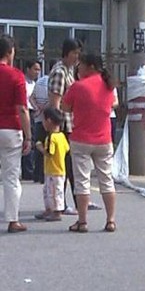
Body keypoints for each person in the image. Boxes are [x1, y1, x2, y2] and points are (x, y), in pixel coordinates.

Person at [62, 53, 117, 233]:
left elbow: (65, 107)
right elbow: (113, 104)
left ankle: (82, 221)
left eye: (81, 65)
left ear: (90, 66)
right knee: (106, 180)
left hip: (81, 139)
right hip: (104, 139)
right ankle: (110, 220)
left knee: (82, 181)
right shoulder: (109, 85)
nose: (78, 68)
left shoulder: (78, 86)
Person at [0, 34, 32, 233]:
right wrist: (28, 136)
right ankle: (13, 220)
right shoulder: (16, 76)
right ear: (10, 52)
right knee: (11, 176)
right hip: (11, 128)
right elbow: (22, 109)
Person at [48, 38, 81, 215]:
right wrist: (56, 129)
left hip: (70, 124)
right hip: (62, 127)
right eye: (75, 53)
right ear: (67, 53)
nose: (77, 57)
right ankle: (60, 204)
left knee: (69, 167)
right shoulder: (60, 72)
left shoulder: (70, 71)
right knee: (62, 168)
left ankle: (74, 202)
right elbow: (55, 103)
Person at [34, 107, 69, 222]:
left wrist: (40, 147)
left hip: (53, 170)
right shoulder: (62, 136)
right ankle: (50, 209)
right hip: (59, 169)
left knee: (53, 191)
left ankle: (56, 211)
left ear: (48, 121)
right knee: (51, 190)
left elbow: (49, 153)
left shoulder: (51, 137)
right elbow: (67, 149)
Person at [30, 60, 57, 184]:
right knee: (48, 148)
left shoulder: (40, 81)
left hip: (38, 119)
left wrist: (37, 108)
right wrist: (44, 108)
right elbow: (53, 101)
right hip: (49, 121)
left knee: (38, 146)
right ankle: (45, 175)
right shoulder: (54, 82)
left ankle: (37, 174)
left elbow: (31, 98)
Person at [21, 60, 41, 181]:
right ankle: (27, 170)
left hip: (34, 113)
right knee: (27, 141)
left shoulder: (35, 83)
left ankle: (30, 169)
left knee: (32, 142)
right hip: (25, 113)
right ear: (28, 69)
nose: (37, 72)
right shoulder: (23, 83)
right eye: (35, 69)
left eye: (39, 70)